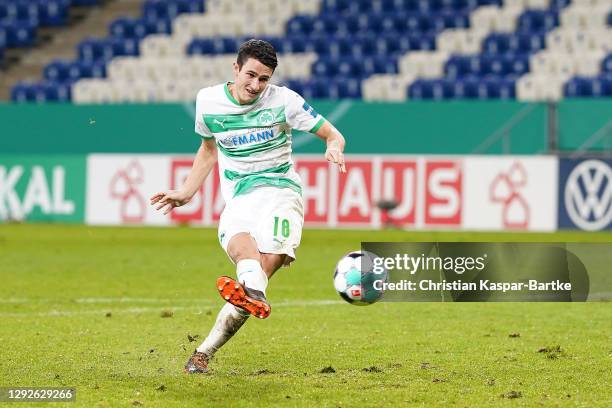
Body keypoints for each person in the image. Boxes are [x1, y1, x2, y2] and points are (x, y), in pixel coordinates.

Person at [150, 39, 347, 374]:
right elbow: (209, 149)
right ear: (236, 68)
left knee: (263, 265)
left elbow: (333, 134)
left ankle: (206, 349)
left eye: (264, 79)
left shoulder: (285, 101)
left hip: (282, 193)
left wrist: (334, 146)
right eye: (251, 75)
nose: (256, 85)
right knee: (245, 259)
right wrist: (187, 191)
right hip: (240, 195)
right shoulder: (208, 101)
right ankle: (239, 310)